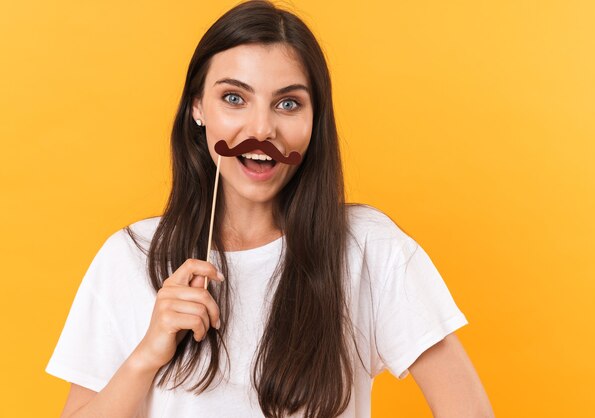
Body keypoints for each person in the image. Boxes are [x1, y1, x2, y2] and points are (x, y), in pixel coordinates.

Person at [45, 1, 494, 417]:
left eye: (288, 103)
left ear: (315, 120)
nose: (262, 128)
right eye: (234, 98)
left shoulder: (369, 250)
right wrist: (147, 354)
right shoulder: (130, 256)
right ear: (198, 108)